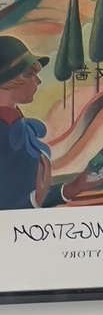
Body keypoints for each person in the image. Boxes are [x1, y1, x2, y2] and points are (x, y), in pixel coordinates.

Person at [0, 36, 51, 208]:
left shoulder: (17, 124)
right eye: (31, 74)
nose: (38, 81)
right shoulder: (5, 133)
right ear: (9, 80)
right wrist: (36, 201)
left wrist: (73, 188)